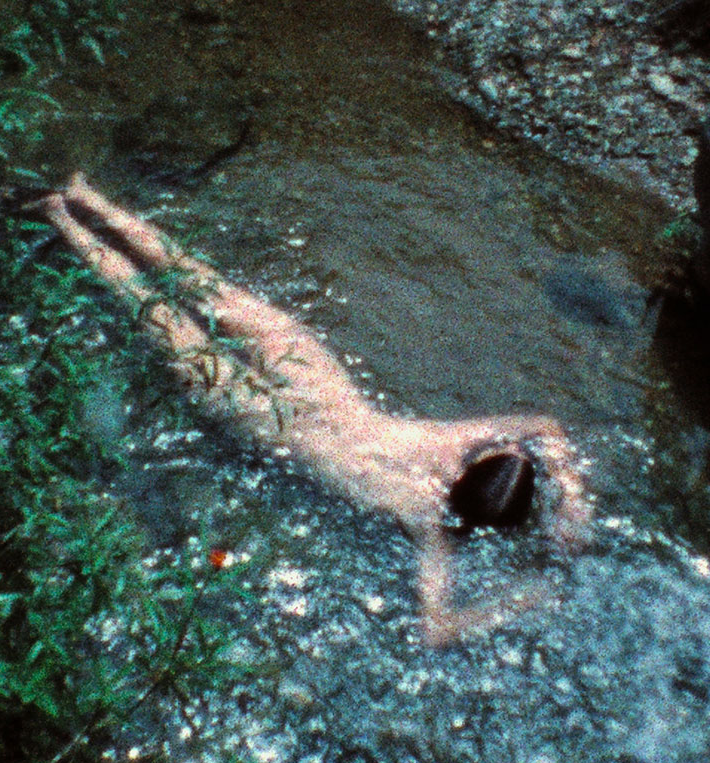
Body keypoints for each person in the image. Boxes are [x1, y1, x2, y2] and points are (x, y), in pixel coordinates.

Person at [32, 173, 593, 645]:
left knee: (205, 285)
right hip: (264, 417)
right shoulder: (431, 526)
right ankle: (60, 215)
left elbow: (542, 427)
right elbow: (436, 628)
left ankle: (84, 195)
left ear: (475, 463)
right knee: (158, 315)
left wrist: (570, 494)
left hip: (313, 380)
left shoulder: (447, 443)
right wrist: (523, 599)